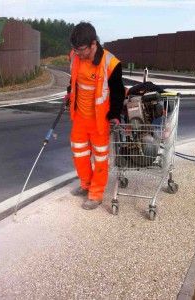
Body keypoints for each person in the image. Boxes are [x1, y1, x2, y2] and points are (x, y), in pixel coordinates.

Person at [66, 22, 125, 210]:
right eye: (75, 49)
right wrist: (69, 94)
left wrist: (114, 115)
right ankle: (86, 184)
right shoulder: (74, 56)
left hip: (100, 120)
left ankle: (96, 194)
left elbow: (118, 92)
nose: (78, 53)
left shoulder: (110, 63)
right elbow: (73, 80)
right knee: (79, 153)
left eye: (81, 49)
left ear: (93, 44)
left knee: (100, 158)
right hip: (80, 117)